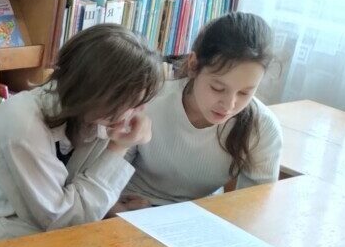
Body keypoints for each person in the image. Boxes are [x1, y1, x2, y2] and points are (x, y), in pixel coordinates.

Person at [0, 24, 162, 247]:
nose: (139, 112)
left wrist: (111, 208)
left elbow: (72, 194)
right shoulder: (22, 125)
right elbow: (62, 220)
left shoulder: (95, 117)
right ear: (97, 93)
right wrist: (117, 150)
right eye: (133, 103)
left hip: (21, 228)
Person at [118, 12, 281, 209]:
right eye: (217, 88)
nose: (229, 105)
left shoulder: (262, 127)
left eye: (245, 93)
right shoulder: (150, 101)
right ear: (194, 65)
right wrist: (118, 209)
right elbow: (105, 176)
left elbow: (254, 207)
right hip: (127, 206)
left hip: (197, 217)